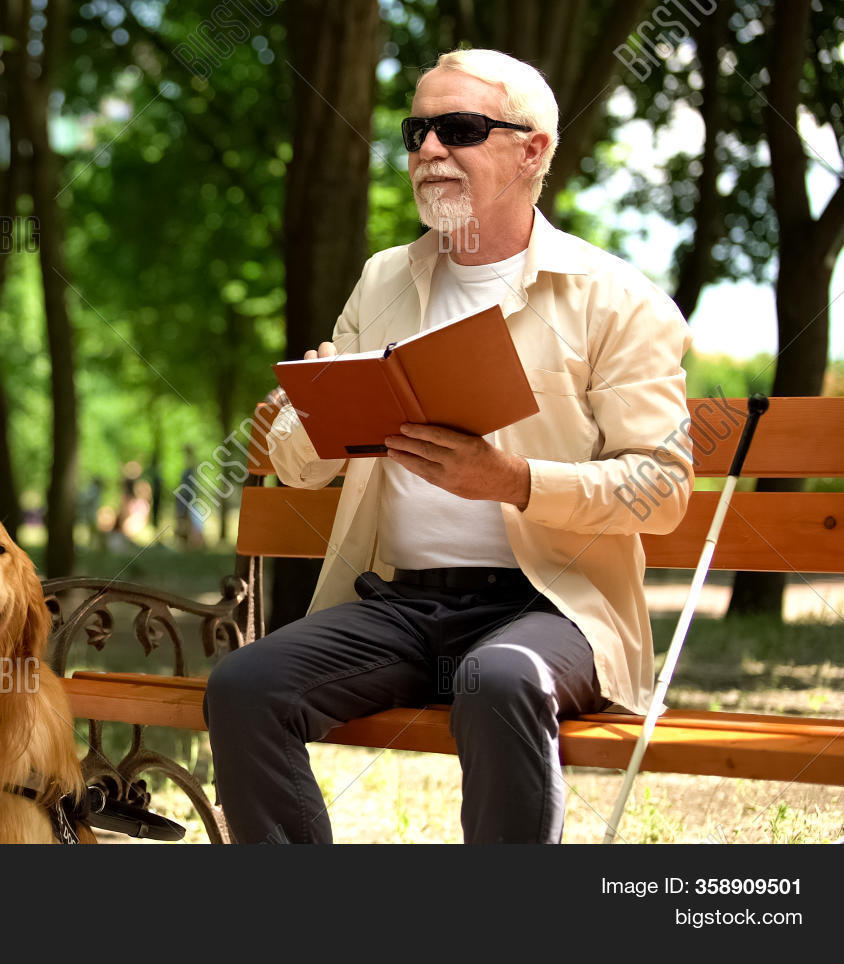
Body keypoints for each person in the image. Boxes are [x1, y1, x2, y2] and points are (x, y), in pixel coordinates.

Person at [203, 49, 695, 844]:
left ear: (531, 150)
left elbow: (662, 488)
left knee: (498, 678)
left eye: (459, 128)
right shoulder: (383, 281)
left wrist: (512, 479)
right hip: (402, 603)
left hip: (553, 605)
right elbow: (301, 464)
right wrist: (307, 413)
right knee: (244, 686)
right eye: (417, 130)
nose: (429, 149)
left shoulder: (617, 299)